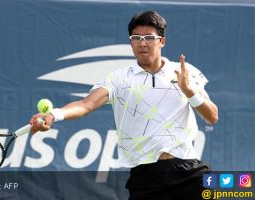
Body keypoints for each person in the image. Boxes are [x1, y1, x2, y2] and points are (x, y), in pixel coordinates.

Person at [29, 10, 218, 200]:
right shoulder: (118, 78)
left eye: (149, 38)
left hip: (189, 171)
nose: (142, 43)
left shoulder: (184, 72)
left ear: (162, 41)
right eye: (136, 37)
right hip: (146, 178)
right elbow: (86, 105)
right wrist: (54, 115)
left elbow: (212, 116)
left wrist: (189, 92)